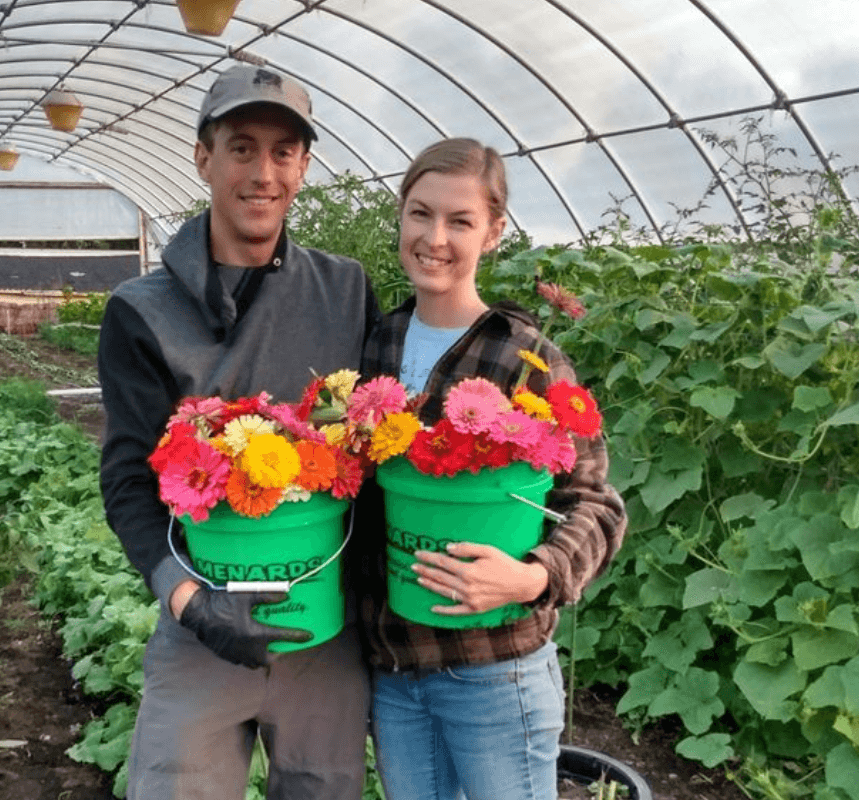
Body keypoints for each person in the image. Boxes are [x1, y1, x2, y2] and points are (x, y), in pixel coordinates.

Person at [98, 65, 380, 800]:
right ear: (204, 156)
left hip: (322, 630)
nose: (264, 172)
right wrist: (189, 601)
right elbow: (129, 479)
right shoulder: (142, 311)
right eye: (242, 147)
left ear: (304, 166)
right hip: (203, 624)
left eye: (284, 152)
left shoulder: (345, 290)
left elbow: (379, 439)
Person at [357, 137, 628, 800]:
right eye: (420, 214)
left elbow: (596, 505)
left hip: (492, 670)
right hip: (394, 667)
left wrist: (533, 576)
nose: (435, 238)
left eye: (460, 221)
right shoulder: (375, 344)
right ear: (400, 217)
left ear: (494, 232)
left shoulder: (525, 359)